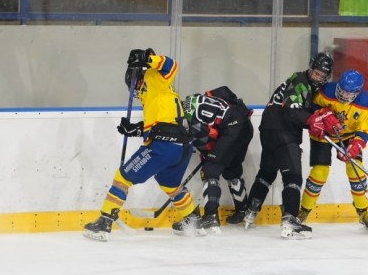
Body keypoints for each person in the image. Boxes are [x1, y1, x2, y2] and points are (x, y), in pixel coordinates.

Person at [84, 48, 197, 241]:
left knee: (122, 178)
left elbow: (171, 65)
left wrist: (147, 58)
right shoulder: (157, 93)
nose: (135, 89)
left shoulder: (154, 77)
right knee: (170, 185)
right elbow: (162, 122)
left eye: (134, 84)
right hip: (182, 146)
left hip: (164, 146)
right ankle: (193, 220)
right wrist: (136, 129)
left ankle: (104, 223)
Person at [243, 52, 342, 239]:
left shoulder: (302, 82)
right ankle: (290, 221)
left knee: (267, 172)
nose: (318, 78)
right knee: (293, 177)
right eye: (316, 73)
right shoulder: (299, 81)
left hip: (268, 129)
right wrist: (313, 120)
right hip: (283, 131)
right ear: (310, 68)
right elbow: (292, 110)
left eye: (322, 76)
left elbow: (300, 110)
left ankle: (250, 212)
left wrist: (317, 117)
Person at [298, 69, 368, 233]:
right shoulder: (327, 91)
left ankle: (363, 212)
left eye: (349, 93)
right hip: (324, 135)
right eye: (342, 90)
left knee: (356, 170)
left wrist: (355, 146)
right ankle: (303, 211)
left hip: (349, 136)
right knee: (319, 172)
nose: (343, 94)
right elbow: (311, 106)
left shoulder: (365, 102)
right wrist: (322, 113)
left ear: (357, 92)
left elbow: (365, 130)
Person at [178, 85, 254, 235]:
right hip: (245, 126)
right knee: (231, 169)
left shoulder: (187, 119)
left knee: (210, 171)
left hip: (232, 129)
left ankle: (211, 217)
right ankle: (242, 211)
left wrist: (208, 155)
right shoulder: (192, 99)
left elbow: (209, 137)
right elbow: (225, 93)